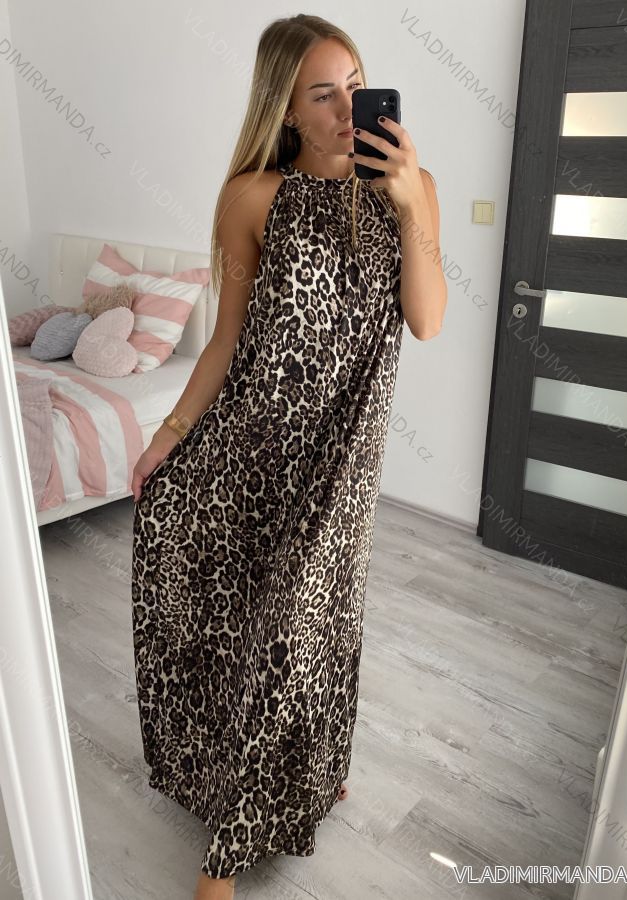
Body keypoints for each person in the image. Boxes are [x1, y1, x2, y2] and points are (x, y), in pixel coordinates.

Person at [130, 12, 446, 900]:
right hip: (248, 453)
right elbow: (227, 339)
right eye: (324, 95)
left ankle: (272, 810)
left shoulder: (412, 188)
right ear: (287, 110)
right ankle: (234, 823)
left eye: (358, 88)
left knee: (311, 627)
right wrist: (168, 436)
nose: (348, 110)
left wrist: (411, 202)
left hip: (342, 465)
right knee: (254, 627)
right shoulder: (252, 198)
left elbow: (427, 320)